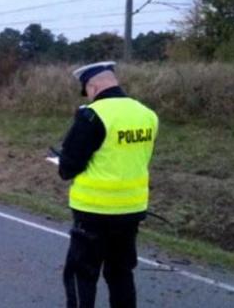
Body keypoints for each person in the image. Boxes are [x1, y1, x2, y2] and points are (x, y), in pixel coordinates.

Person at [58, 61, 158, 308]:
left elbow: (68, 166)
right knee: (120, 273)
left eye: (87, 91)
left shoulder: (92, 115)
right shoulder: (146, 114)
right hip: (131, 209)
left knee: (82, 273)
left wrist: (63, 162)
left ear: (92, 87)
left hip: (94, 210)